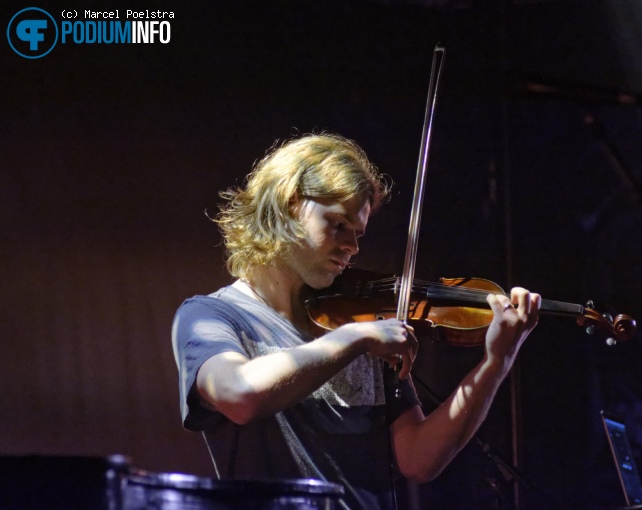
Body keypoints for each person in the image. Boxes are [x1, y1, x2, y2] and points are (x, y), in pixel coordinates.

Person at [172, 133, 541, 510]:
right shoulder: (211, 316)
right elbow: (239, 395)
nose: (353, 246)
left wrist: (496, 364)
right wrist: (354, 339)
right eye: (337, 224)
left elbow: (419, 459)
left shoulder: (361, 321)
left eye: (359, 232)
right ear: (289, 204)